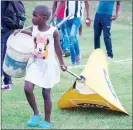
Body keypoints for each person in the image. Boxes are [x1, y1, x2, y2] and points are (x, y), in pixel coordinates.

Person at [14, 5, 67, 128]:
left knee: (46, 93)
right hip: (34, 63)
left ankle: (47, 121)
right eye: (32, 15)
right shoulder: (34, 28)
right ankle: (36, 113)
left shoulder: (53, 31)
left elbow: (58, 50)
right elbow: (32, 34)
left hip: (47, 66)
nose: (32, 18)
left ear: (44, 18)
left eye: (35, 15)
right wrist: (20, 32)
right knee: (27, 88)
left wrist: (62, 63)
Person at [52, 0, 91, 65]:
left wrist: (88, 16)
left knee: (72, 35)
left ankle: (77, 57)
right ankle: (74, 61)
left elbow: (87, 2)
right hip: (67, 18)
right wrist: (56, 13)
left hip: (76, 17)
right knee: (72, 39)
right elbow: (61, 2)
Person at [1, 1, 14, 90]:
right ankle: (7, 82)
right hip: (8, 24)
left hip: (4, 25)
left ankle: (6, 81)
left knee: (3, 53)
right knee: (5, 53)